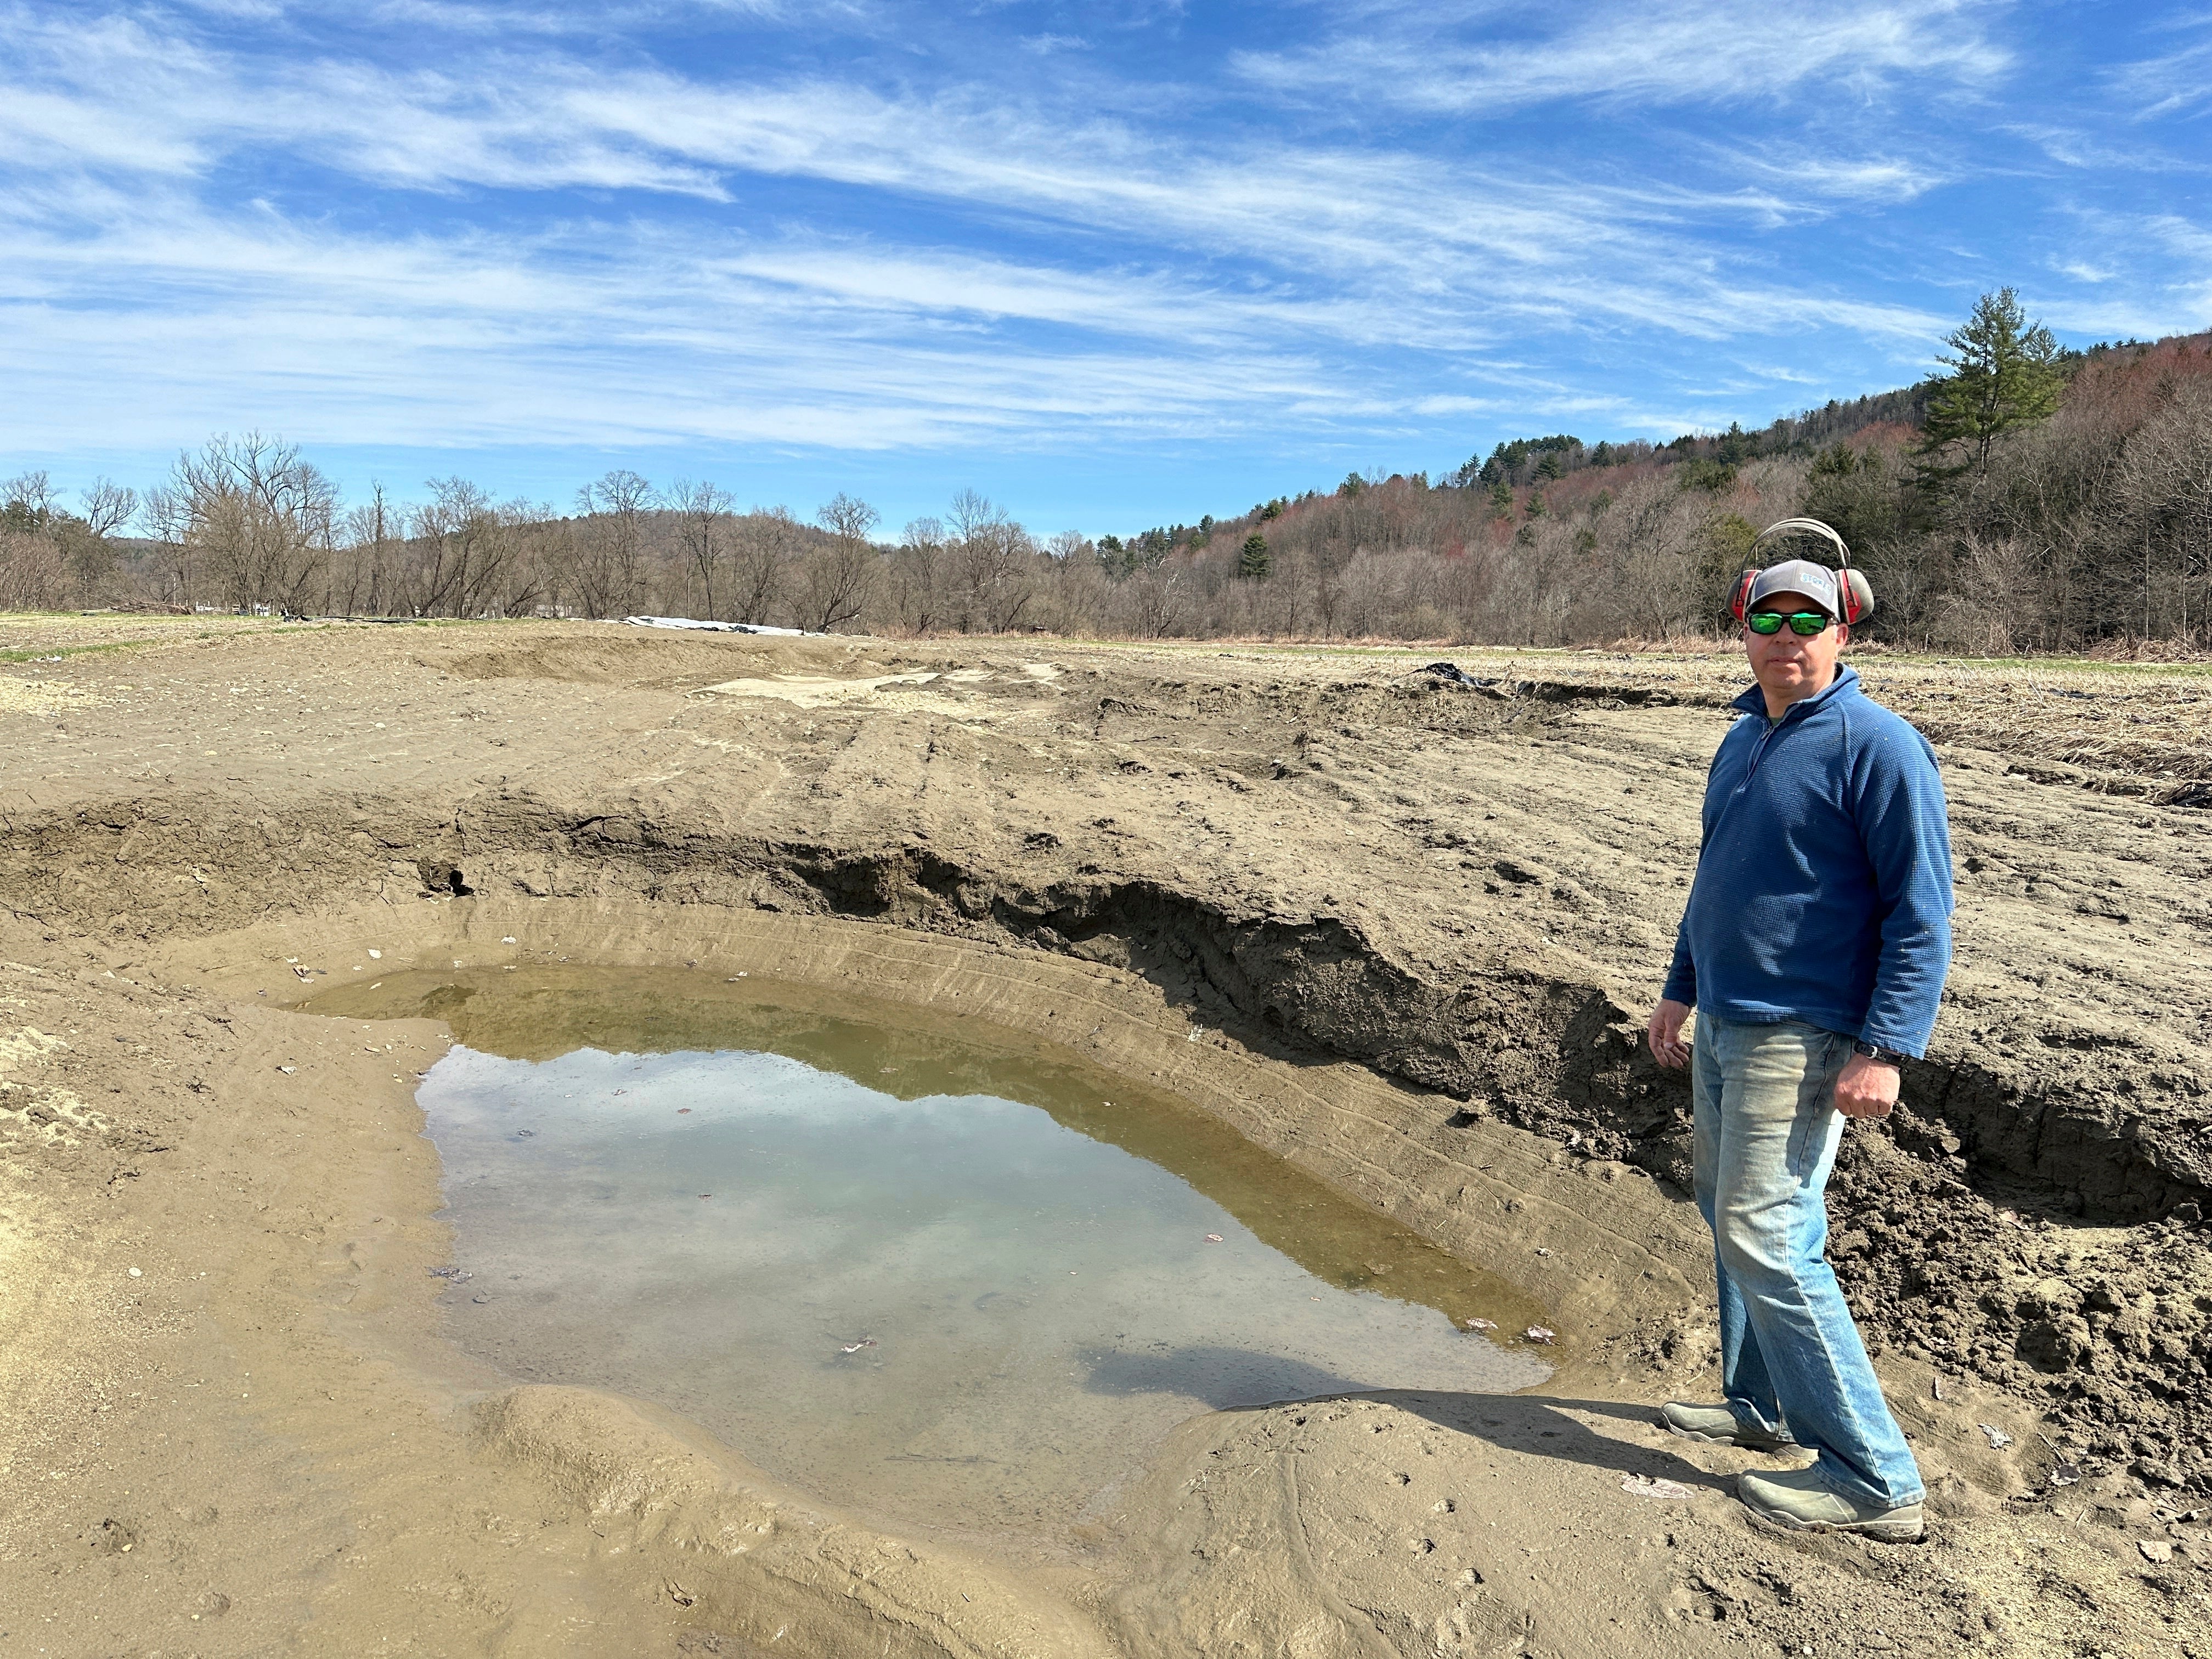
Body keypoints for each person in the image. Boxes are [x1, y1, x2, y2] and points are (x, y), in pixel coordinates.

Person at [1644, 552, 1953, 1542]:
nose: (1786, 632)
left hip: (1806, 1032)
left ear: (1842, 631)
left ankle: (1874, 1475)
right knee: (1725, 1210)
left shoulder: (1881, 745)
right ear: (1743, 627)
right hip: (1728, 1019)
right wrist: (1679, 987)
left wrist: (1886, 1048)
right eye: (1768, 615)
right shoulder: (1741, 738)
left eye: (1806, 617)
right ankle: (1762, 1406)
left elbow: (1922, 914)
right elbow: (1716, 878)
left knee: (1770, 1235)